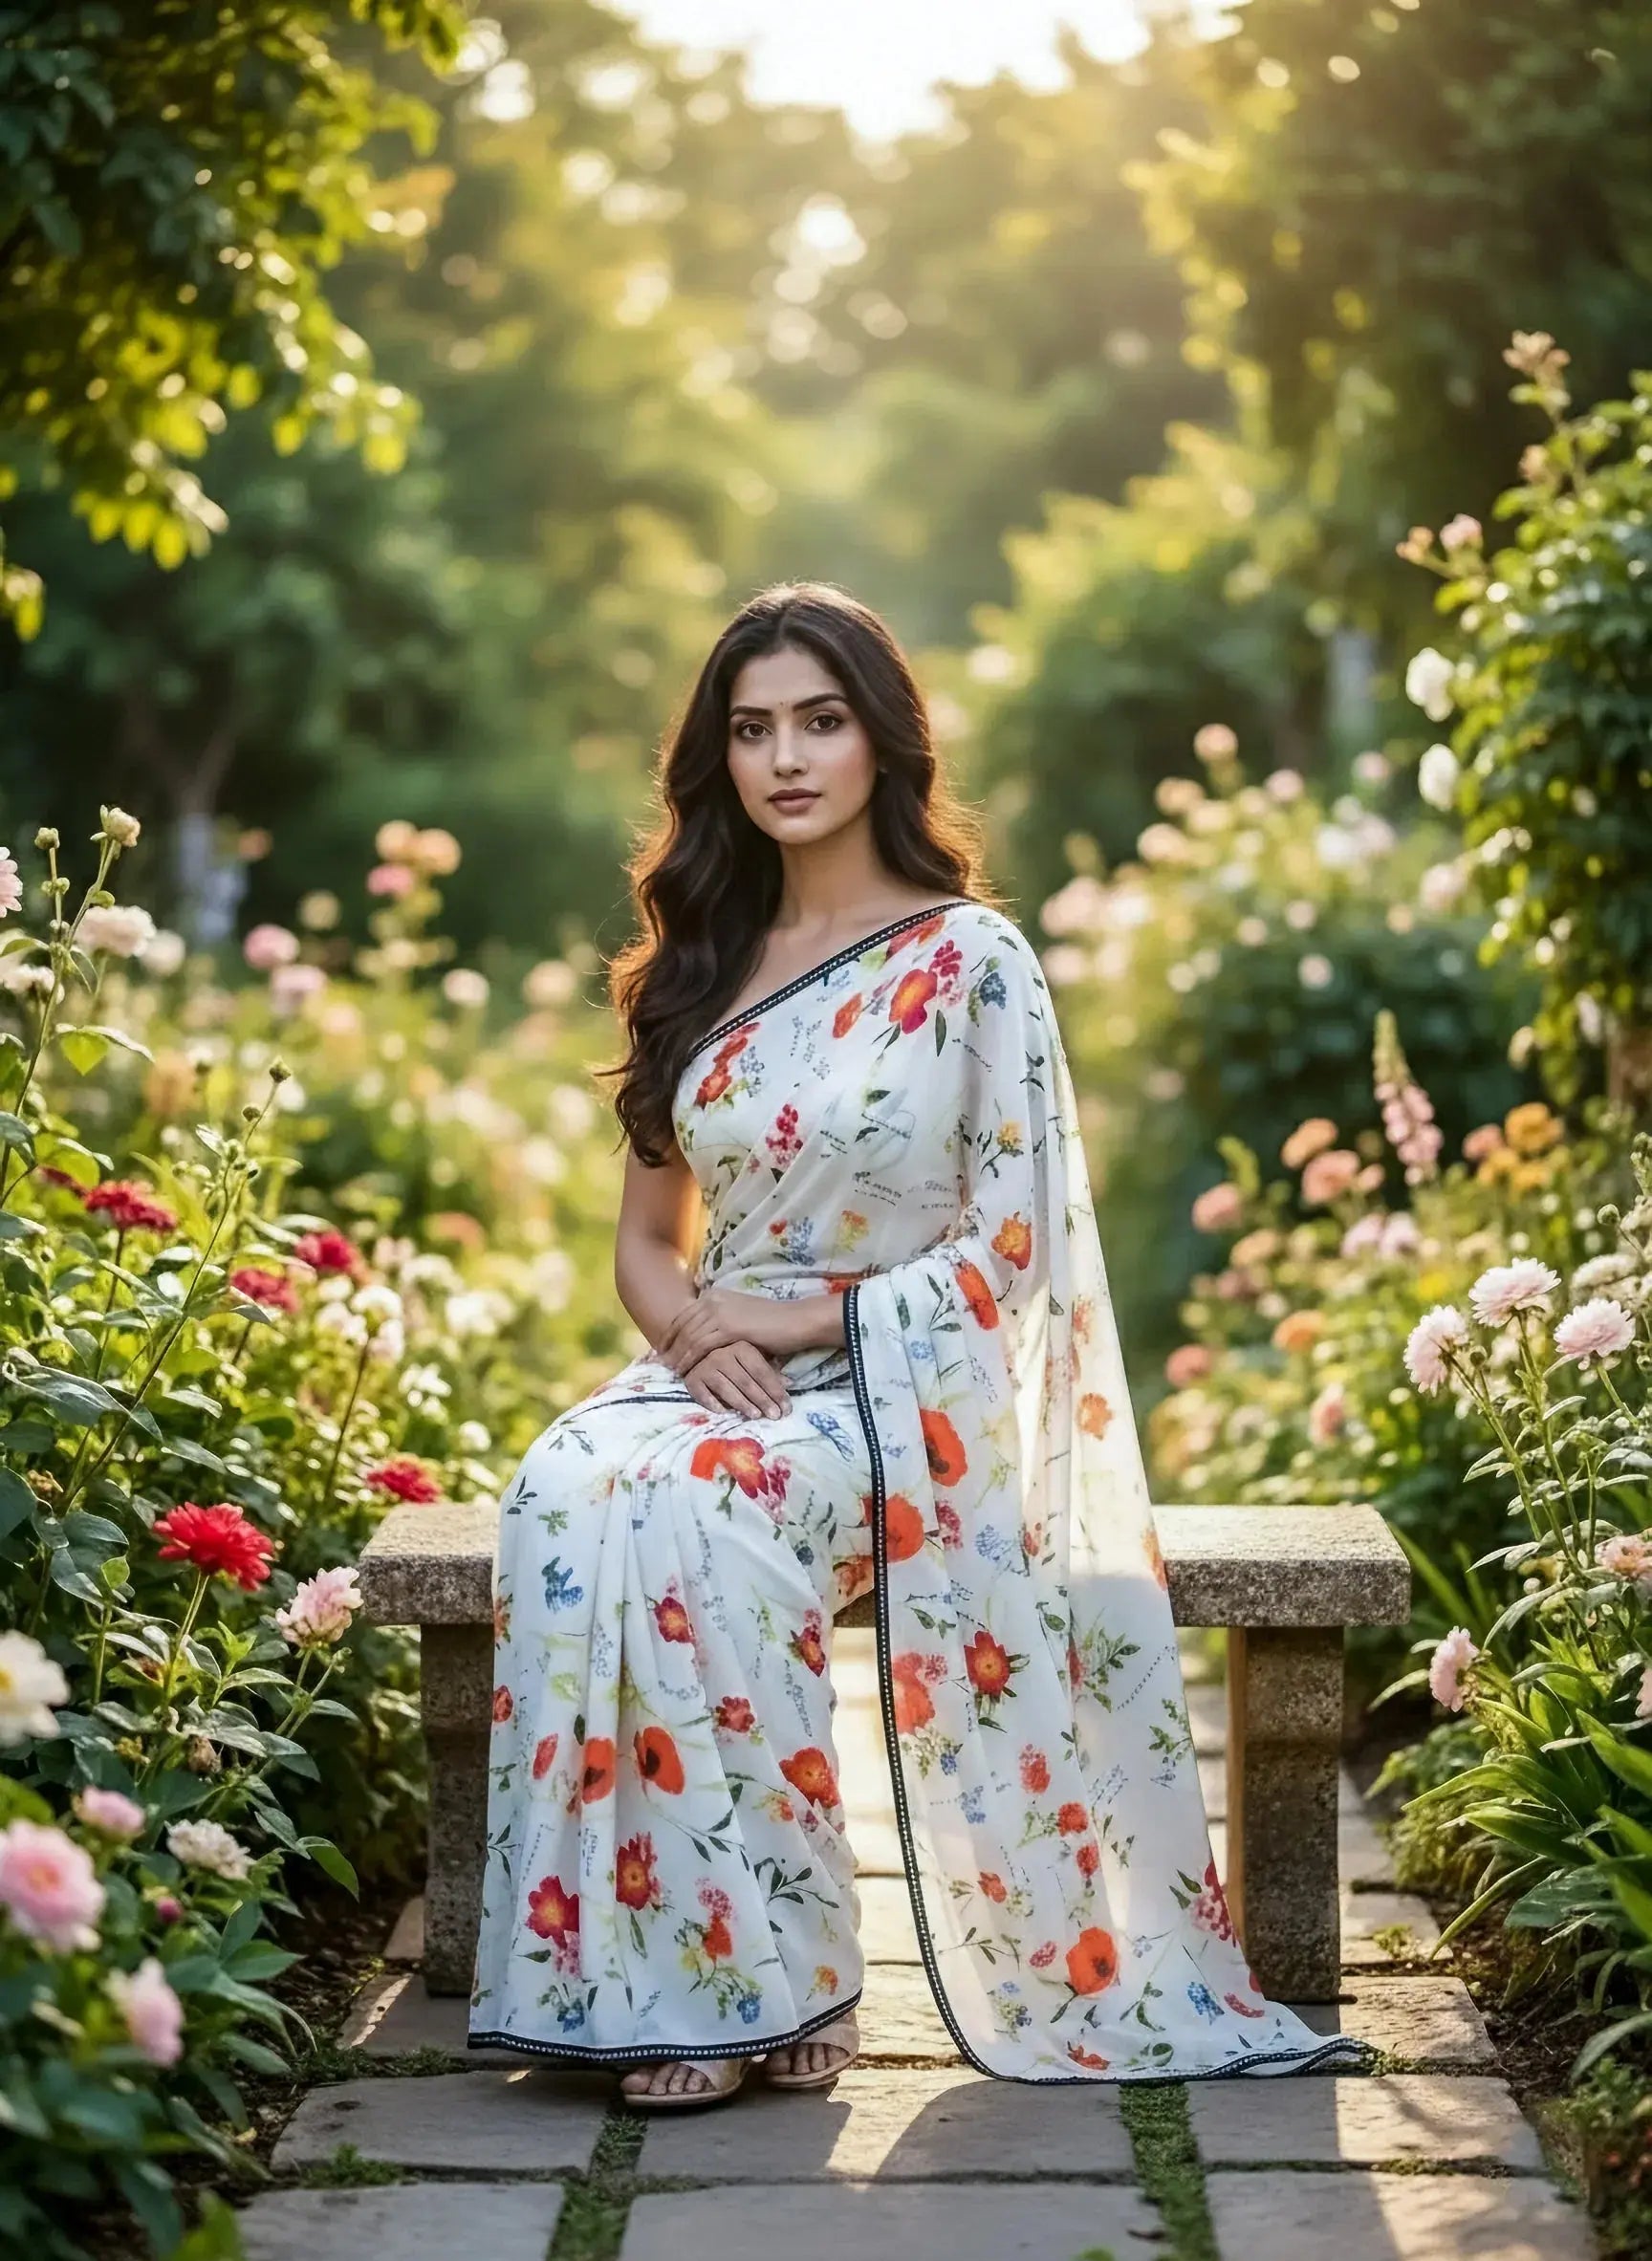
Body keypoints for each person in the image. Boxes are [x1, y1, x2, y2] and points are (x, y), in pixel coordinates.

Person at [468, 580, 1363, 2107]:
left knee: (714, 1511)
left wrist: (794, 1319)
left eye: (821, 720)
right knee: (565, 1491)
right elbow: (642, 1242)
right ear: (719, 761)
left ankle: (786, 1989)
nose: (786, 758)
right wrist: (696, 1335)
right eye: (752, 731)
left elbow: (1013, 1256)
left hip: (906, 1388)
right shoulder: (700, 958)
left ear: (883, 740)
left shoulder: (968, 962)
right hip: (710, 1370)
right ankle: (630, 1981)